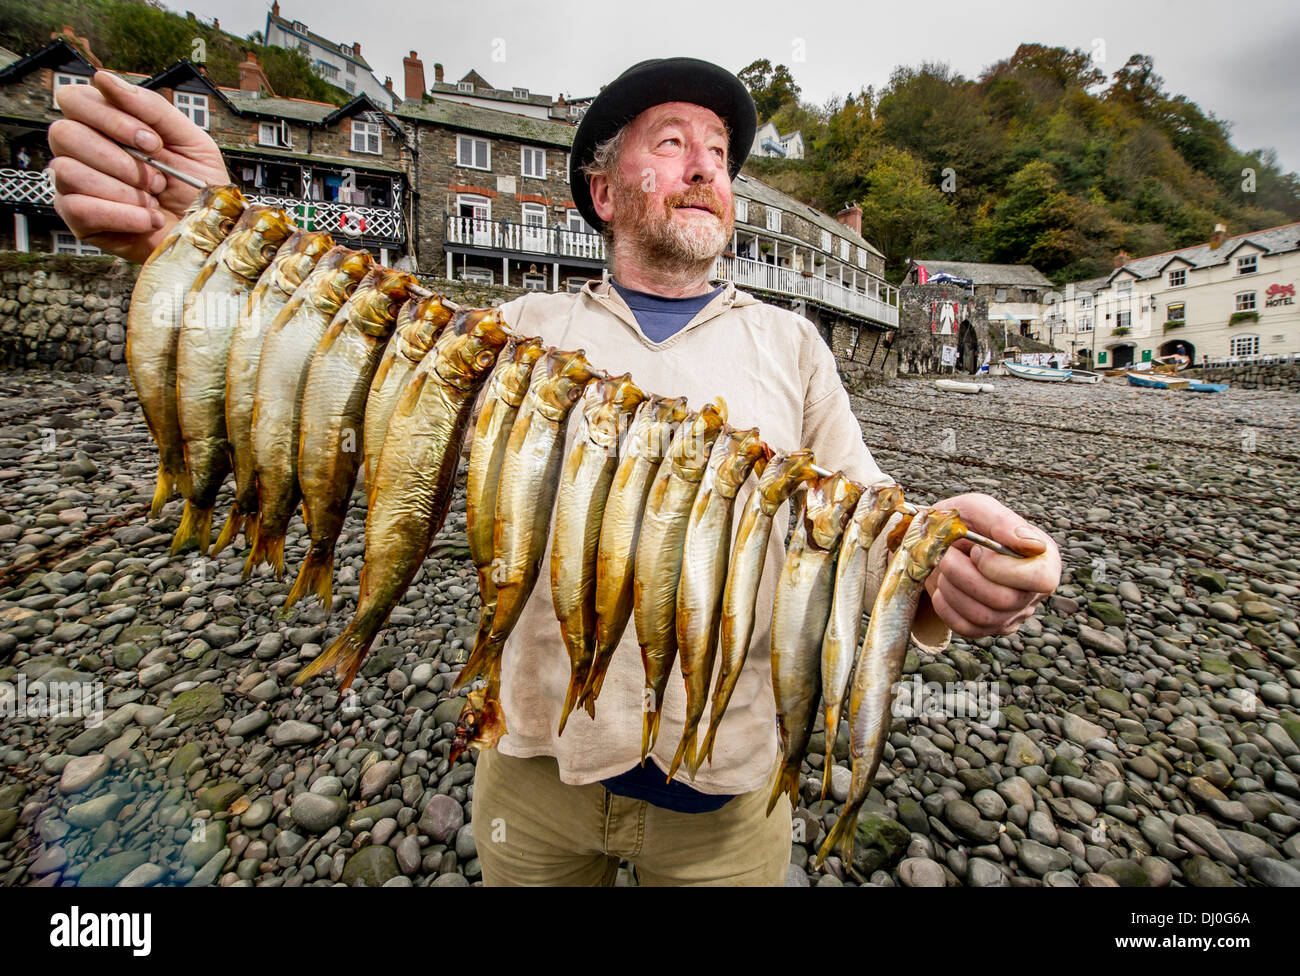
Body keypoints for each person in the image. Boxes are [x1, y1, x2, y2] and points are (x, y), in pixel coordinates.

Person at [50, 58, 1062, 887]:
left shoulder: (794, 347)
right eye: (672, 143)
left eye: (719, 154)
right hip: (534, 769)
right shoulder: (522, 332)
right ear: (602, 187)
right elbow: (346, 390)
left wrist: (955, 574)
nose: (706, 167)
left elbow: (867, 530)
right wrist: (204, 239)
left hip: (730, 796)